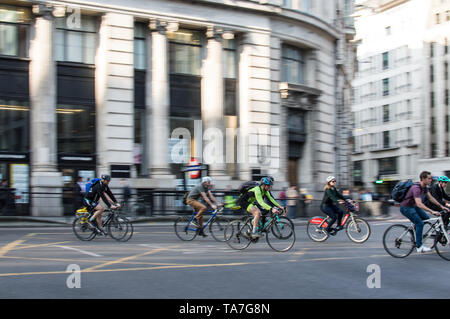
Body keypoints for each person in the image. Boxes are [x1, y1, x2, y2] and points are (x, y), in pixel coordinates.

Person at [399, 171, 449, 253]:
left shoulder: (424, 187)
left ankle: (413, 232)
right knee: (420, 223)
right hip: (406, 208)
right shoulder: (416, 188)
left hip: (413, 206)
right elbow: (419, 204)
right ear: (423, 179)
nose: (431, 180)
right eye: (429, 179)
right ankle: (419, 246)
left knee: (426, 218)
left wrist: (441, 206)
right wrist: (432, 211)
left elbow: (431, 198)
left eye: (431, 179)